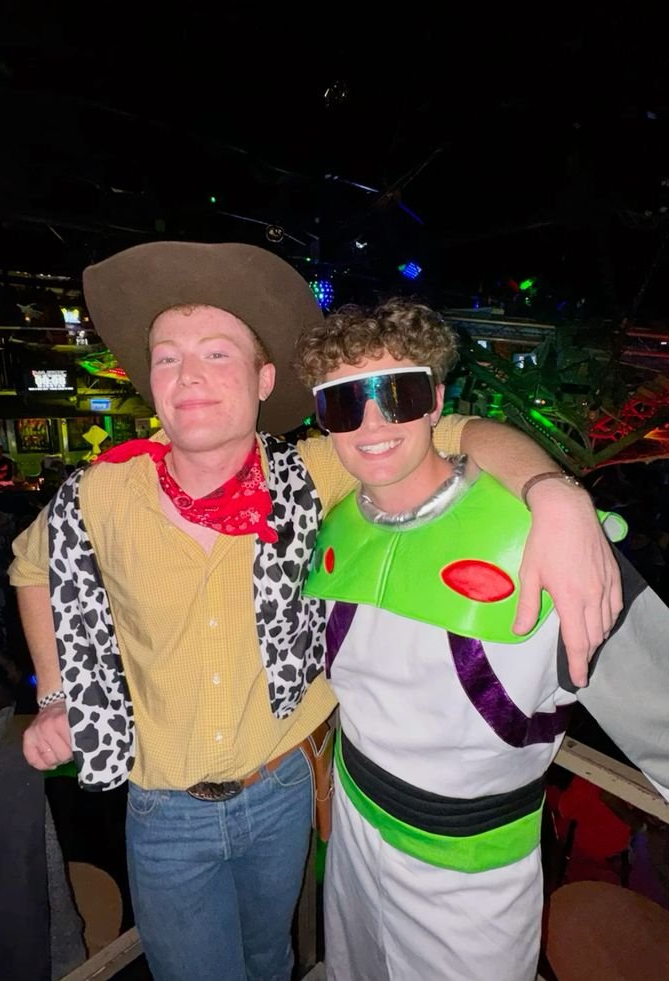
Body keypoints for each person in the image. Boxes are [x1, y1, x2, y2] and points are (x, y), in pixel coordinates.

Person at [9, 242, 621, 981]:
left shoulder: (314, 468)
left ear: (263, 379)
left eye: (215, 353)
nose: (189, 375)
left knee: (274, 960)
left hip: (285, 788)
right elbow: (30, 567)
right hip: (165, 808)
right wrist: (56, 694)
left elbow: (451, 433)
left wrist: (555, 493)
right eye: (167, 358)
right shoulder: (100, 491)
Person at [296, 298, 669, 981]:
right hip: (351, 830)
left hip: (467, 875)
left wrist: (555, 493)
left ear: (436, 402)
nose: (372, 424)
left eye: (398, 394)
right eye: (345, 402)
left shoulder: (548, 539)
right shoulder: (336, 521)